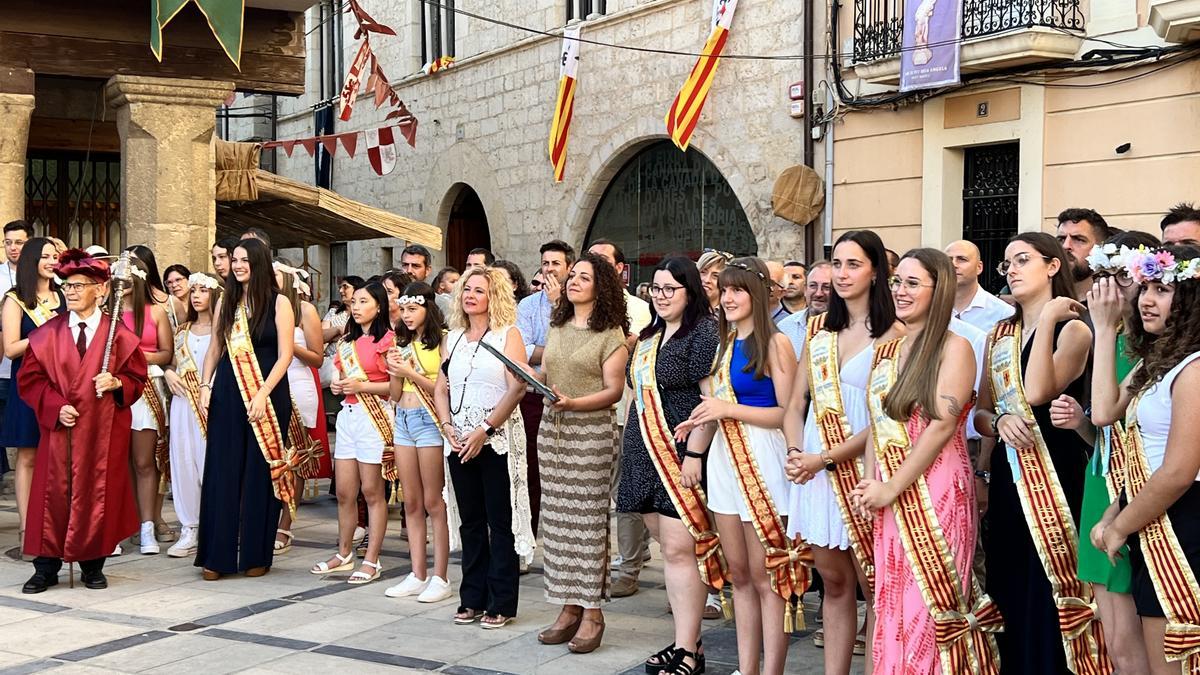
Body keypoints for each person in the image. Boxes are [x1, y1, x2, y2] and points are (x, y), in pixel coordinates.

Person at [852, 249, 1001, 673]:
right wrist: (869, 482)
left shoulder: (956, 347)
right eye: (897, 281)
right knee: (891, 595)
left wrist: (891, 486)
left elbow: (939, 427)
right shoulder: (886, 350)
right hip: (887, 487)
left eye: (912, 283)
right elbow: (876, 424)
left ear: (940, 291)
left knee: (928, 601)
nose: (899, 290)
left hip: (934, 491)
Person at [973, 232, 1109, 673]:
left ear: (1053, 266)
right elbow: (980, 413)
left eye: (1023, 260)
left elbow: (1037, 391)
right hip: (1010, 473)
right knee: (1010, 576)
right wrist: (996, 423)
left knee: (1049, 581)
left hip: (1056, 472)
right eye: (1006, 263)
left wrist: (1047, 316)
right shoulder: (1000, 333)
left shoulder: (1074, 328)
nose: (1010, 269)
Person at [674, 257, 804, 675]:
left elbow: (787, 412)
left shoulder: (776, 343)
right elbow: (718, 406)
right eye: (724, 290)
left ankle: (772, 670)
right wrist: (698, 421)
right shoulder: (725, 343)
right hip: (726, 459)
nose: (727, 297)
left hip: (762, 455)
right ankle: (747, 667)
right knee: (740, 575)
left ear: (758, 294)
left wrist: (725, 408)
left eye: (737, 290)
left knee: (768, 575)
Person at [785, 230, 903, 668]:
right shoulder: (818, 330)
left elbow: (882, 419)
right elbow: (796, 404)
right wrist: (798, 452)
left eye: (854, 264)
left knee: (874, 588)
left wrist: (824, 459)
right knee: (833, 585)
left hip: (862, 469)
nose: (843, 273)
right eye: (838, 264)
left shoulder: (894, 333)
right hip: (813, 467)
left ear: (876, 272)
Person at [1050, 231, 1160, 674]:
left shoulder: (1153, 347)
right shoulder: (1108, 340)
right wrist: (1079, 421)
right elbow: (1104, 429)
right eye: (1103, 276)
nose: (1111, 289)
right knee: (1112, 634)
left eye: (1123, 278)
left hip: (1138, 491)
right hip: (1102, 481)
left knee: (1140, 633)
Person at [1090, 244, 1200, 675]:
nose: (1146, 299)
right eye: (1146, 287)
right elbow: (1102, 412)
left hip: (1183, 521)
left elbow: (1177, 471)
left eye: (1163, 289)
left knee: (1173, 663)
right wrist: (1103, 329)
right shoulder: (1158, 360)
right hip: (1152, 517)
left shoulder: (1193, 368)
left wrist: (1119, 525)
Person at [19, 249, 148, 593]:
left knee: (98, 491)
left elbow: (138, 379)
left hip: (101, 428)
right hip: (60, 428)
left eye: (79, 285)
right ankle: (45, 567)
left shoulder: (118, 336)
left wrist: (118, 383)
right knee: (52, 493)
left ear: (100, 290)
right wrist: (55, 405)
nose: (71, 291)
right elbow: (30, 381)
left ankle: (93, 564)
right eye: (67, 286)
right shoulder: (46, 334)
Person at [617, 256, 723, 675]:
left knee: (681, 550)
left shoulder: (704, 333)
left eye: (670, 289)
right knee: (669, 548)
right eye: (655, 289)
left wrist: (696, 453)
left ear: (690, 291)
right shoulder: (647, 337)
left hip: (681, 451)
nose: (660, 296)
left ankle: (687, 652)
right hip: (643, 449)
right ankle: (688, 641)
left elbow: (709, 400)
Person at [528, 252, 630, 654]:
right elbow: (549, 373)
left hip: (590, 435)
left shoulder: (611, 333)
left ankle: (592, 613)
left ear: (600, 287)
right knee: (556, 524)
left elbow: (613, 391)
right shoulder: (558, 324)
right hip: (553, 433)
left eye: (583, 278)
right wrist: (524, 375)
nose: (572, 282)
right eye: (573, 276)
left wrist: (574, 404)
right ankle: (567, 607)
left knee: (587, 526)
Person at [434, 266, 534, 629]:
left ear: (495, 297)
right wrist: (446, 425)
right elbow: (440, 387)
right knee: (471, 523)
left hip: (497, 440)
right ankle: (471, 597)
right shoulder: (454, 337)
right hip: (458, 438)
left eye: (480, 290)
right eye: (467, 289)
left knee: (500, 522)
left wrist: (485, 430)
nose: (471, 295)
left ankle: (502, 602)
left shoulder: (509, 335)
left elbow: (517, 388)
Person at [196, 237, 296, 580]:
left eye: (244, 260)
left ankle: (256, 553)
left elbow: (286, 355)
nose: (237, 265)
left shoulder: (279, 303)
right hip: (228, 388)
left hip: (267, 391)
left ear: (259, 263)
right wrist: (205, 386)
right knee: (222, 470)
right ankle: (216, 555)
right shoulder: (227, 300)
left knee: (259, 472)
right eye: (233, 260)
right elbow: (214, 348)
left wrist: (263, 394)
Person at [312, 282, 395, 584]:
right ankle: (344, 553)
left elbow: (394, 388)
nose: (356, 307)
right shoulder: (347, 341)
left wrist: (363, 387)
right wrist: (338, 384)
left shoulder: (388, 340)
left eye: (364, 301)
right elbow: (340, 376)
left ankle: (372, 558)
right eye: (354, 302)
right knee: (345, 492)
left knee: (372, 492)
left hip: (374, 416)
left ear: (379, 305)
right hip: (348, 416)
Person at [587, 238, 652, 598]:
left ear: (620, 269)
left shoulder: (639, 310)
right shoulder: (579, 307)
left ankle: (628, 566)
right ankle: (633, 553)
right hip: (587, 411)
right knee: (614, 491)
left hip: (625, 409)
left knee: (624, 491)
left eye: (602, 260)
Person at [384, 282, 453, 602]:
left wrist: (408, 371)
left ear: (428, 308)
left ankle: (440, 575)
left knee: (432, 500)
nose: (407, 315)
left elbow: (442, 386)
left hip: (429, 421)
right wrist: (396, 371)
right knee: (409, 501)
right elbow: (395, 394)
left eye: (414, 309)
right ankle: (417, 572)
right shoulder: (401, 341)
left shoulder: (441, 340)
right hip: (404, 421)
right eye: (404, 309)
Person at [1, 238, 65, 553]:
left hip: (61, 384)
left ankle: (54, 524)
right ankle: (28, 528)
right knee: (28, 455)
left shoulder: (64, 296)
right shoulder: (16, 299)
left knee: (57, 456)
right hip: (28, 383)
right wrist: (48, 332)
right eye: (45, 256)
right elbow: (11, 348)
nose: (52, 261)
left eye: (55, 256)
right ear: (31, 260)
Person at [516, 239, 576, 542]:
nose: (549, 269)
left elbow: (576, 344)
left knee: (566, 471)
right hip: (531, 396)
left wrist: (557, 305)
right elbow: (522, 351)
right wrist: (554, 351)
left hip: (572, 397)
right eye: (545, 263)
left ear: (569, 268)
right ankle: (528, 536)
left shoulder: (578, 303)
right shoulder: (527, 305)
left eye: (556, 264)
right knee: (531, 470)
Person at [162, 272, 222, 558]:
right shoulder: (182, 330)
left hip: (213, 404)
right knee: (184, 462)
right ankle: (190, 527)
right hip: (184, 404)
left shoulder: (225, 331)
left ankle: (215, 524)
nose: (197, 296)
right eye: (193, 290)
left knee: (210, 460)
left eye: (203, 290)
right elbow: (172, 362)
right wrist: (170, 373)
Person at [119, 256, 174, 555]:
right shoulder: (107, 314)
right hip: (115, 388)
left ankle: (147, 525)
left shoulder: (156, 313)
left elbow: (167, 353)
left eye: (128, 275)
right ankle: (117, 527)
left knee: (144, 461)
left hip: (148, 386)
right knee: (116, 461)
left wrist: (137, 357)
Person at [274, 262, 327, 553]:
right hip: (268, 384)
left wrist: (287, 345)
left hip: (297, 382)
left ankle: (286, 521)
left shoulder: (304, 310)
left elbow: (317, 358)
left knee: (293, 456)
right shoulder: (262, 307)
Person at [0, 220, 31, 476]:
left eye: (19, 242)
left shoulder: (46, 279)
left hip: (29, 369)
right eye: (8, 242)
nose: (13, 248)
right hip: (4, 364)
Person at [1055, 208, 1116, 301]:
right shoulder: (1045, 301)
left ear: (1100, 248)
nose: (1065, 246)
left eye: (1079, 239)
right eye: (1061, 239)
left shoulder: (1114, 304)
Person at [776, 260, 831, 359]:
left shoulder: (849, 328)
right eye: (813, 286)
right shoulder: (784, 328)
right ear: (805, 289)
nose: (819, 293)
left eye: (827, 287)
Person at [697, 249, 731, 314]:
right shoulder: (683, 310)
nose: (707, 280)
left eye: (715, 276)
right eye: (703, 272)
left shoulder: (729, 315)